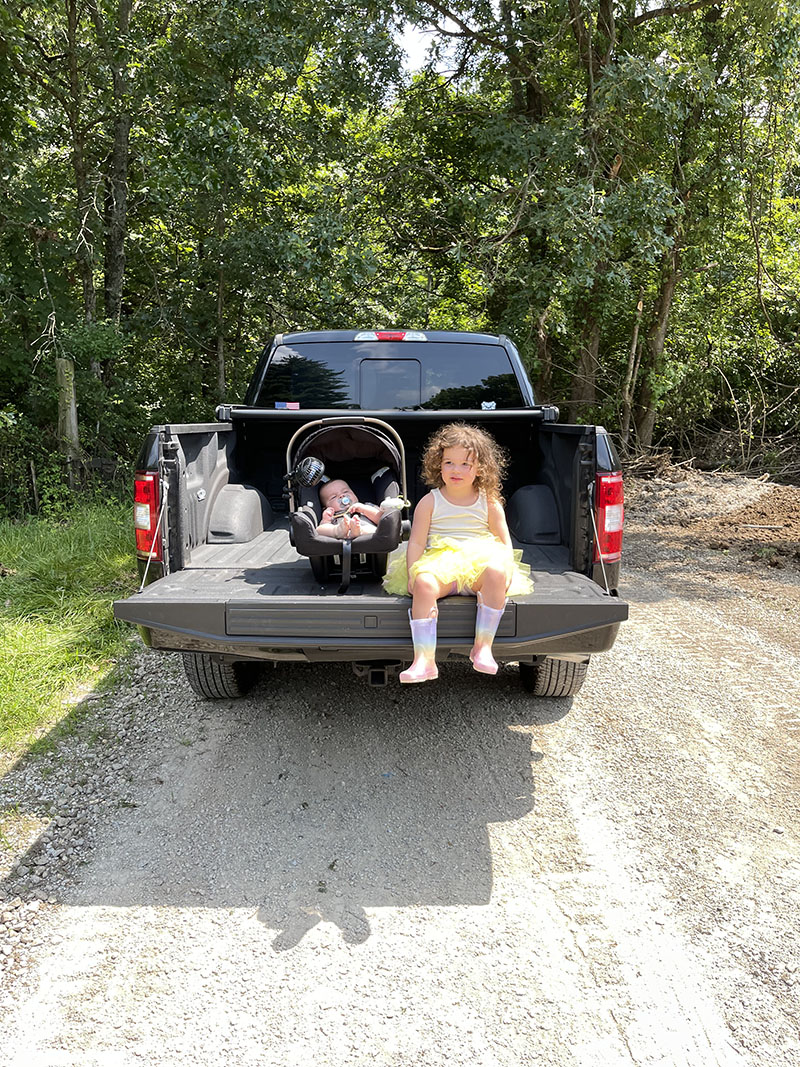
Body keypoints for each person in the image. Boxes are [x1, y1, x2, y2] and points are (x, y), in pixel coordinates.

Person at [382, 423, 533, 683]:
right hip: (441, 562)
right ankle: (424, 659)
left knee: (496, 573)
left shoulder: (489, 501)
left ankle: (483, 647)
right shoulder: (430, 501)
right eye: (449, 462)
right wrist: (412, 571)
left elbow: (502, 539)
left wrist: (507, 568)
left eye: (466, 464)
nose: (456, 470)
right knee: (424, 583)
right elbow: (416, 542)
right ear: (438, 465)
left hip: (480, 559)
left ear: (480, 469)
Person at [316, 479, 384, 540]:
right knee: (320, 529)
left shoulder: (366, 506)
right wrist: (326, 520)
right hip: (342, 532)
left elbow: (382, 519)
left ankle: (359, 531)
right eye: (333, 497)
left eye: (345, 492)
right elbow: (319, 531)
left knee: (375, 530)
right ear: (326, 507)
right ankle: (338, 531)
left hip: (366, 531)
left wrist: (364, 509)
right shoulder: (332, 515)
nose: (342, 496)